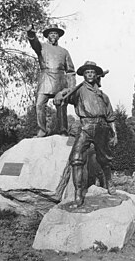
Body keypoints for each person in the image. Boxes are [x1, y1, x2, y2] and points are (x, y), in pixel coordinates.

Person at [55, 61, 118, 206]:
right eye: (87, 72)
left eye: (92, 72)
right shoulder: (79, 91)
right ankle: (78, 193)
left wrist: (115, 134)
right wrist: (60, 94)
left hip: (102, 127)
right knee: (76, 158)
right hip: (85, 126)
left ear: (96, 76)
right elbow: (66, 94)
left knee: (105, 159)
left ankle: (109, 183)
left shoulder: (104, 96)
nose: (90, 74)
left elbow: (110, 117)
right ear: (84, 75)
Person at [27, 24, 76, 137]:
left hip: (60, 80)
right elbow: (34, 43)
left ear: (59, 36)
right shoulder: (42, 47)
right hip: (46, 79)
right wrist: (31, 34)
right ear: (47, 36)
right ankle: (42, 130)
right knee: (39, 104)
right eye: (51, 33)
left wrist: (71, 87)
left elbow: (70, 71)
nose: (53, 35)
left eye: (56, 33)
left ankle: (63, 130)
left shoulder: (64, 52)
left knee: (62, 105)